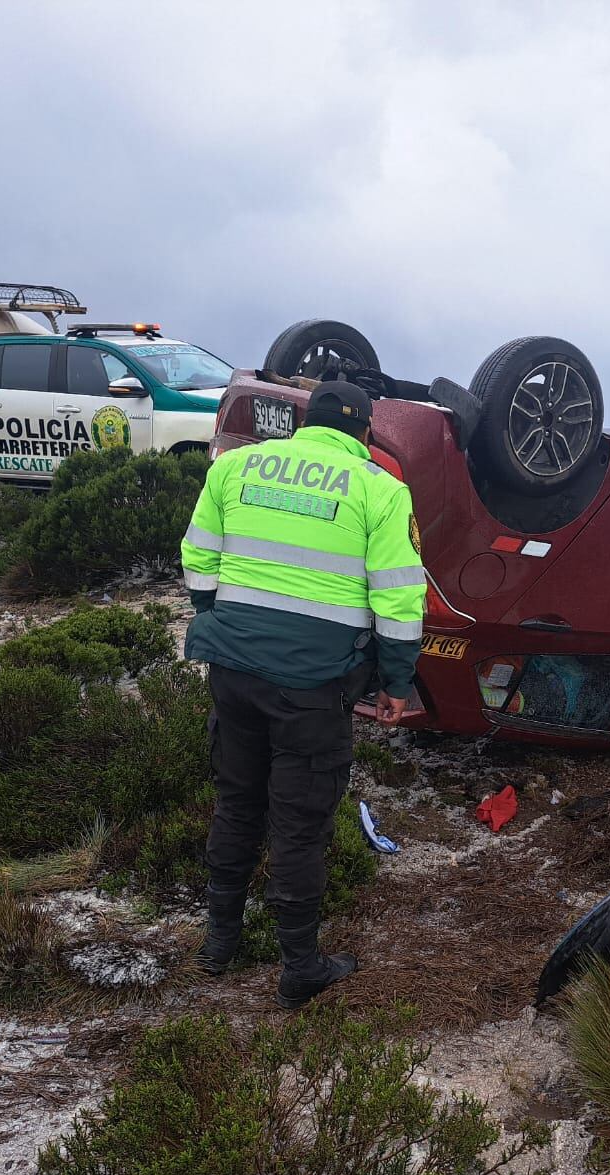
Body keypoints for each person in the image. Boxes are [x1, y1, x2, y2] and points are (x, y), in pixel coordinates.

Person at [180, 380, 426, 1008]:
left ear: (301, 424)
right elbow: (398, 597)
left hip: (232, 673)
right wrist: (397, 682)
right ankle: (300, 967)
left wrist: (226, 623)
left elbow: (198, 558)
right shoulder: (380, 489)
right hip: (313, 688)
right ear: (364, 432)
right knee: (298, 826)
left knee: (237, 804)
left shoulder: (236, 466)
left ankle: (219, 943)